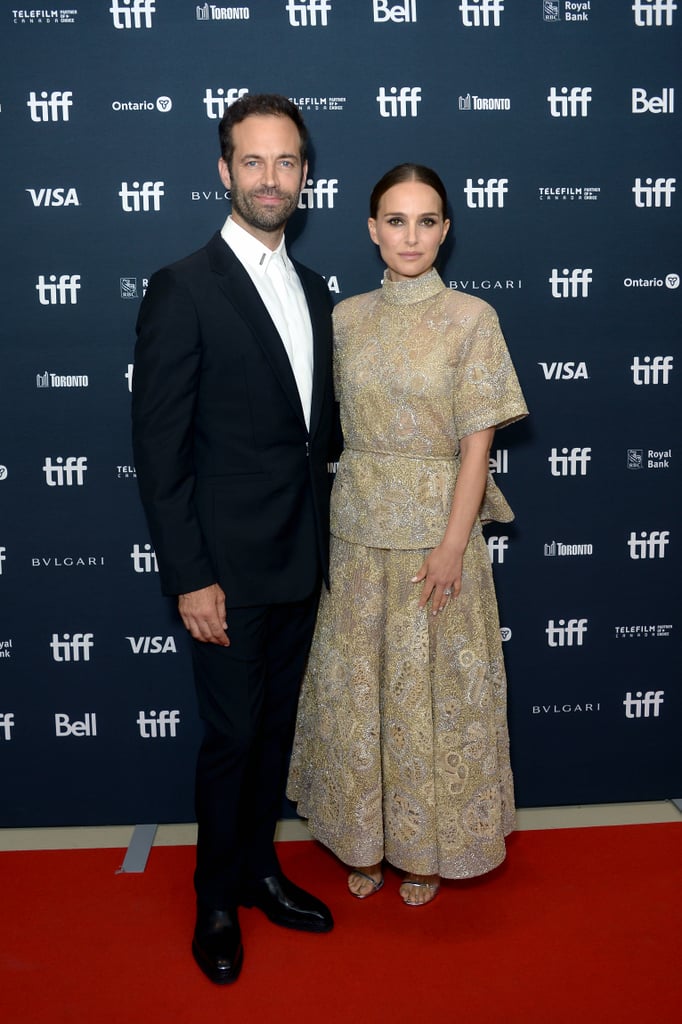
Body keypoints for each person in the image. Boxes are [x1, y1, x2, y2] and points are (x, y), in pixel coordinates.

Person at [132, 94, 335, 985]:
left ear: (304, 175)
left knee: (278, 732)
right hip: (223, 569)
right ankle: (215, 898)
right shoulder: (184, 286)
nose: (270, 178)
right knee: (232, 736)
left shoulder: (317, 287)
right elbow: (159, 449)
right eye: (252, 162)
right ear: (224, 172)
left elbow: (311, 438)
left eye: (286, 162)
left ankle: (260, 871)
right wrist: (191, 578)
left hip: (301, 559)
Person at [287, 163, 528, 907]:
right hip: (357, 533)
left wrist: (454, 543)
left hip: (436, 535)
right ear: (372, 229)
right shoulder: (344, 319)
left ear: (446, 229)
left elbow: (477, 446)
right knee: (364, 696)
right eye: (396, 220)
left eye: (427, 221)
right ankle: (366, 836)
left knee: (429, 697)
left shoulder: (471, 319)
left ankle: (425, 848)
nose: (411, 235)